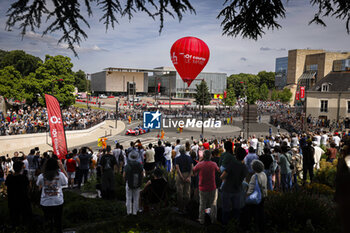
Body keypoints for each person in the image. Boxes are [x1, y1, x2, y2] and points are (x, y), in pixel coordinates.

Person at [36, 158, 68, 233]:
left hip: (45, 202)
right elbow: (66, 182)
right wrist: (62, 168)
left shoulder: (41, 176)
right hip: (58, 201)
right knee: (58, 221)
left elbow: (38, 184)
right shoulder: (60, 175)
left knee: (48, 222)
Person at [220, 146, 248, 225]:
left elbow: (222, 176)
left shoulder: (232, 164)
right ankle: (235, 226)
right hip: (237, 190)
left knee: (226, 210)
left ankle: (225, 226)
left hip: (227, 189)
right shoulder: (244, 167)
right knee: (236, 210)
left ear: (236, 154)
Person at [192, 150, 220, 224]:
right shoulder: (213, 164)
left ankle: (202, 219)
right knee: (213, 204)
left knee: (202, 204)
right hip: (212, 186)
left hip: (202, 187)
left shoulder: (200, 164)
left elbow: (193, 170)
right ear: (210, 156)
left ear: (203, 156)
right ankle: (213, 219)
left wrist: (200, 160)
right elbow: (218, 170)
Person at [5, 161, 32, 228]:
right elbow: (29, 187)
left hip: (12, 199)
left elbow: (6, 185)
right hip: (23, 199)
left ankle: (15, 226)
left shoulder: (9, 177)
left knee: (14, 216)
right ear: (21, 168)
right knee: (24, 216)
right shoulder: (23, 177)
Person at [243, 160, 267, 233]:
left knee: (254, 214)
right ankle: (262, 228)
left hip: (256, 198)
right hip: (263, 196)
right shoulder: (263, 174)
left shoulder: (255, 176)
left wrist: (246, 195)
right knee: (261, 213)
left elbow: (251, 189)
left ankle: (252, 228)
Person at [123, 150, 144, 215]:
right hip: (137, 183)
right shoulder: (139, 165)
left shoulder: (127, 165)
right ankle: (135, 212)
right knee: (136, 198)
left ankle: (128, 212)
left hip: (129, 183)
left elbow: (124, 175)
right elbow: (142, 174)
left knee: (128, 198)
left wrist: (125, 180)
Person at [175, 146, 193, 213]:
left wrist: (181, 176)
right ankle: (187, 207)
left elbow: (177, 168)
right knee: (187, 192)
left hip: (180, 175)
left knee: (179, 192)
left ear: (179, 151)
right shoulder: (189, 158)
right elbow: (192, 168)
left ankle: (180, 208)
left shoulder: (177, 158)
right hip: (188, 174)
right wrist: (189, 176)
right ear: (185, 151)